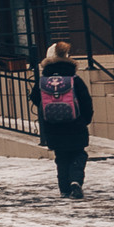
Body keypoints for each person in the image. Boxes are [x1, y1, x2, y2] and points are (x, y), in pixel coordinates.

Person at [31, 41, 95, 198]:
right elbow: (86, 101)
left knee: (61, 157)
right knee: (79, 154)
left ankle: (64, 189)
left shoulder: (43, 80)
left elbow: (34, 97)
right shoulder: (74, 79)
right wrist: (84, 120)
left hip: (53, 126)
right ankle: (75, 181)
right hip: (75, 124)